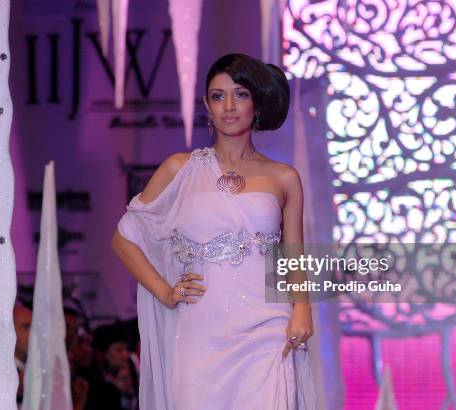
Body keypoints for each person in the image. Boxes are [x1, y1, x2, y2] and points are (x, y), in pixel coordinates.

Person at [112, 53, 316, 409]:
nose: (229, 106)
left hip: (266, 327)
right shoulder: (180, 169)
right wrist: (164, 291)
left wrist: (302, 309)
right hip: (199, 331)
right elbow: (124, 238)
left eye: (240, 94)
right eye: (218, 96)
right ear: (206, 104)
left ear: (256, 102)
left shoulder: (284, 177)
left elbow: (292, 253)